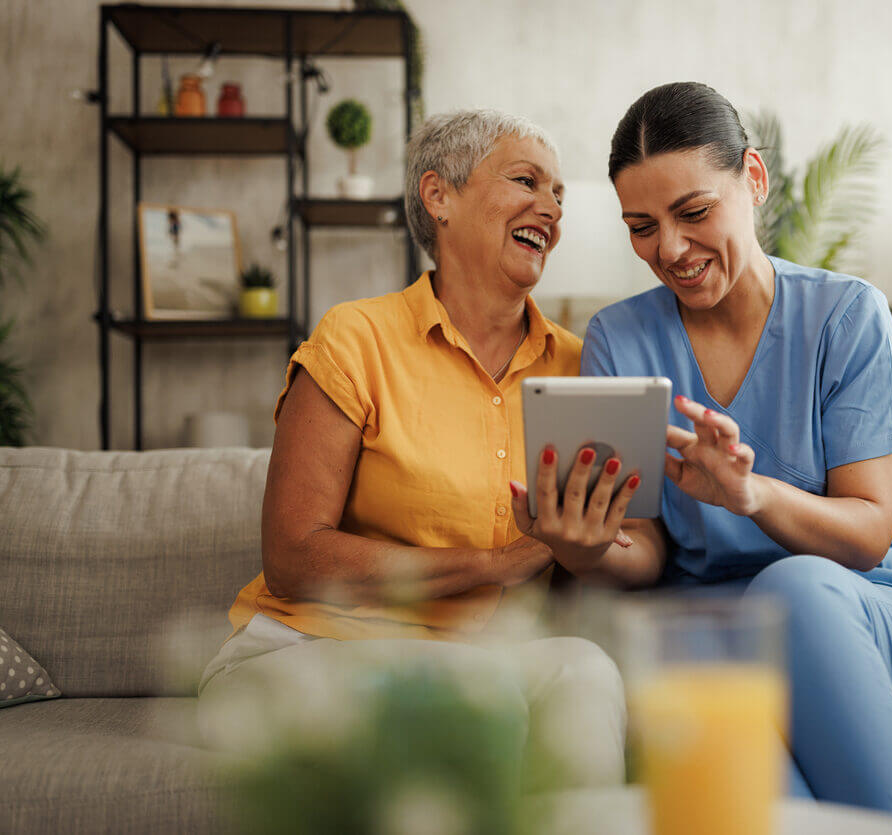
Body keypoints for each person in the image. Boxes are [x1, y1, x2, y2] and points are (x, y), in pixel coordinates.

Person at [509, 82, 892, 820]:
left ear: (753, 179)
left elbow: (868, 532)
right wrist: (583, 548)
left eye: (693, 213)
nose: (671, 250)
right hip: (711, 629)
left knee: (793, 592)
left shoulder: (846, 315)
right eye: (642, 226)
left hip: (865, 610)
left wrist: (753, 495)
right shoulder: (621, 339)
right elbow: (647, 550)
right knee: (689, 663)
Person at [197, 109, 626, 793]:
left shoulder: (582, 368)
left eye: (559, 196)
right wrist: (494, 564)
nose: (551, 207)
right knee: (476, 690)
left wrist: (582, 546)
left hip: (476, 657)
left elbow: (579, 571)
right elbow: (292, 556)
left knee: (585, 667)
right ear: (439, 196)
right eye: (526, 181)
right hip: (309, 647)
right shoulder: (356, 337)